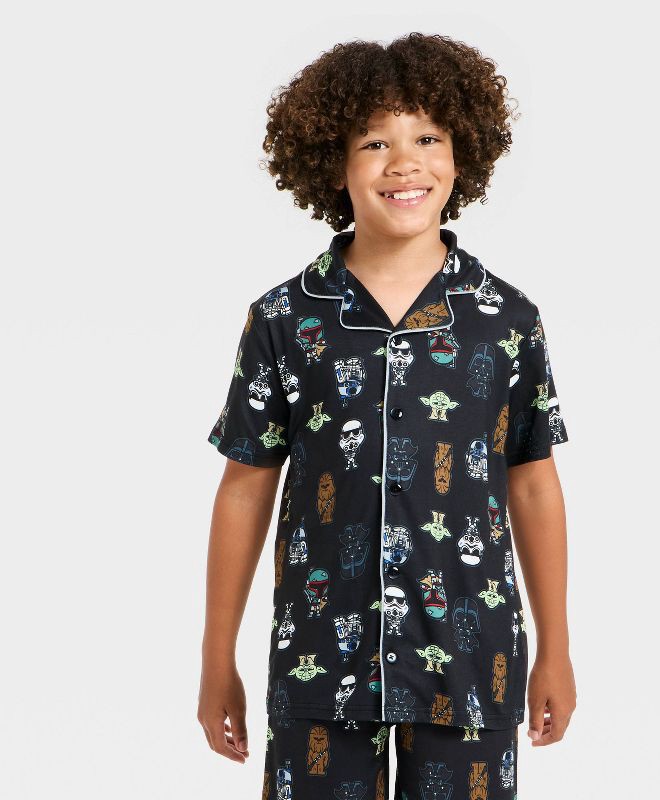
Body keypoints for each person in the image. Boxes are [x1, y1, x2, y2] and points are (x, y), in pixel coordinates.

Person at [198, 32, 577, 799]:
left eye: (428, 138)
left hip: (470, 662)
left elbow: (534, 482)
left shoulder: (506, 320)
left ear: (462, 155)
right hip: (320, 663)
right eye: (375, 143)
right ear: (333, 166)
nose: (405, 163)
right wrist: (216, 658)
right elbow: (244, 487)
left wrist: (557, 648)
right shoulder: (285, 319)